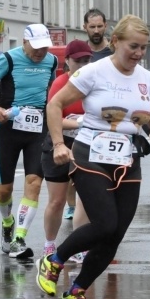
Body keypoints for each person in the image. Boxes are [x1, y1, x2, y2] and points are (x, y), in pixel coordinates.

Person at [37, 14, 150, 299]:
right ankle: (54, 260)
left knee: (115, 235)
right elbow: (55, 104)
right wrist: (58, 145)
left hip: (128, 159)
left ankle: (76, 292)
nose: (138, 53)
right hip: (90, 154)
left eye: (143, 48)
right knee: (104, 223)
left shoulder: (147, 80)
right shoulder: (94, 72)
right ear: (116, 41)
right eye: (133, 46)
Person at [0, 24, 58, 259]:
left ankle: (19, 238)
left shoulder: (51, 61)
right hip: (9, 127)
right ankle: (7, 222)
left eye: (44, 48)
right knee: (5, 190)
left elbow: (52, 91)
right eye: (36, 47)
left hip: (38, 128)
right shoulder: (9, 59)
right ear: (25, 42)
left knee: (34, 182)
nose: (40, 52)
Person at [41, 39, 92, 258]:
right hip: (59, 143)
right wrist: (80, 122)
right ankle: (49, 244)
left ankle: (79, 247)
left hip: (86, 145)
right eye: (78, 61)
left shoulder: (95, 82)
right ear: (68, 61)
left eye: (86, 60)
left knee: (85, 200)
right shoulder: (60, 84)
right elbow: (54, 119)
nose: (82, 65)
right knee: (57, 200)